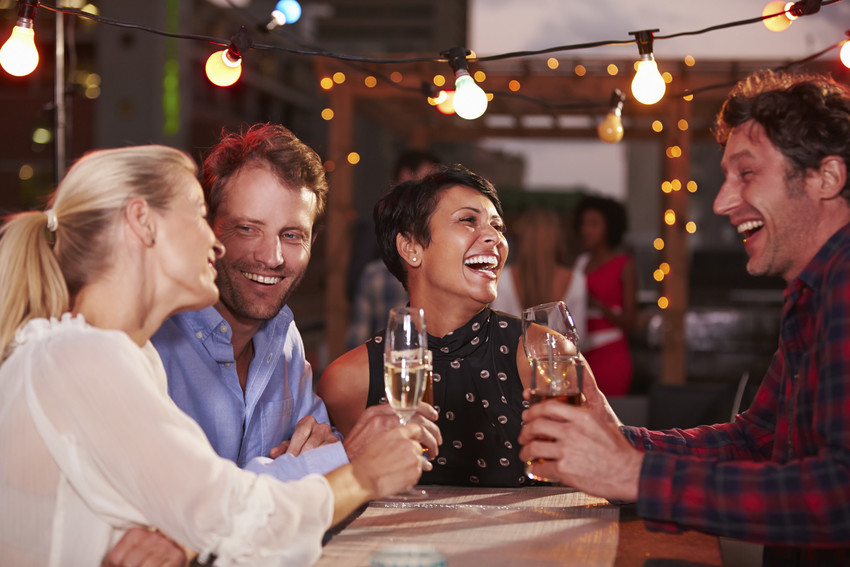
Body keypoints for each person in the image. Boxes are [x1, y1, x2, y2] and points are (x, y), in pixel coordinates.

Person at [0, 145, 425, 566]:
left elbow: (198, 506)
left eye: (292, 234)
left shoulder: (117, 353)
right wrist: (362, 474)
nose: (213, 241)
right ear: (142, 223)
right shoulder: (83, 356)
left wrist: (188, 528)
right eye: (197, 217)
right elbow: (230, 514)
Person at [519, 70, 850, 566]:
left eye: (746, 173)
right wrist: (618, 440)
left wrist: (632, 475)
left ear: (826, 177)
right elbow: (753, 441)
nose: (722, 201)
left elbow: (839, 497)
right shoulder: (813, 294)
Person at [151, 124, 439, 484]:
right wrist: (339, 456)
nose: (272, 258)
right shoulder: (153, 341)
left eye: (291, 236)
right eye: (247, 228)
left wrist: (327, 449)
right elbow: (195, 502)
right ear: (208, 229)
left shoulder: (283, 338)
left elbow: (320, 448)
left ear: (311, 242)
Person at [320, 165, 544, 487]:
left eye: (497, 225)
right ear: (411, 248)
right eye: (469, 220)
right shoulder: (348, 381)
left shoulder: (539, 354)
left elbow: (600, 468)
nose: (495, 237)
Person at [345, 150, 442, 348]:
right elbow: (354, 285)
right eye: (428, 177)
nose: (433, 188)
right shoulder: (375, 229)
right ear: (406, 175)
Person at [490, 207, 587, 342]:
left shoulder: (504, 277)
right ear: (557, 238)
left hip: (512, 361)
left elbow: (499, 332)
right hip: (559, 361)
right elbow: (580, 336)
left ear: (523, 239)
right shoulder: (576, 279)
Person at [574, 195, 637, 396]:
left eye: (593, 224)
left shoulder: (624, 265)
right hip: (582, 356)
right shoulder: (580, 264)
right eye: (583, 224)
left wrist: (597, 305)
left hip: (611, 356)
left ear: (610, 227)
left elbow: (630, 322)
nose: (585, 230)